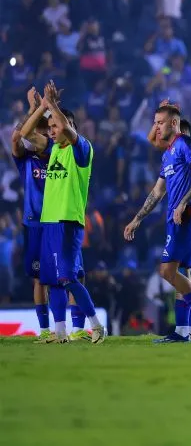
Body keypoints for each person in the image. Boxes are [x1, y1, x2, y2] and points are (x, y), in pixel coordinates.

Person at [124, 103, 191, 343]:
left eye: (160, 123)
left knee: (167, 271)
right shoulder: (167, 155)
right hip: (175, 217)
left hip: (188, 215)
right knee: (181, 274)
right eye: (155, 123)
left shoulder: (185, 144)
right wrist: (137, 218)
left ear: (174, 123)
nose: (156, 128)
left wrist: (183, 202)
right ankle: (183, 330)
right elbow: (157, 192)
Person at [36, 82, 106, 343]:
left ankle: (96, 325)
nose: (52, 131)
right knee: (53, 281)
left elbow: (65, 127)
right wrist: (41, 107)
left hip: (68, 221)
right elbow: (27, 134)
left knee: (68, 278)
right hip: (49, 221)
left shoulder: (82, 149)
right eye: (50, 127)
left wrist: (53, 104)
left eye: (55, 126)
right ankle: (61, 332)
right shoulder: (54, 149)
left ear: (69, 127)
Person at [12, 88, 52, 341]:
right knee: (39, 279)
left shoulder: (56, 153)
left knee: (65, 277)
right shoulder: (25, 160)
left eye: (46, 130)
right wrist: (32, 109)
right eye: (40, 130)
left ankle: (69, 328)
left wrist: (45, 107)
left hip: (56, 221)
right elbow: (16, 137)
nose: (43, 134)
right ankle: (45, 330)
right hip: (34, 225)